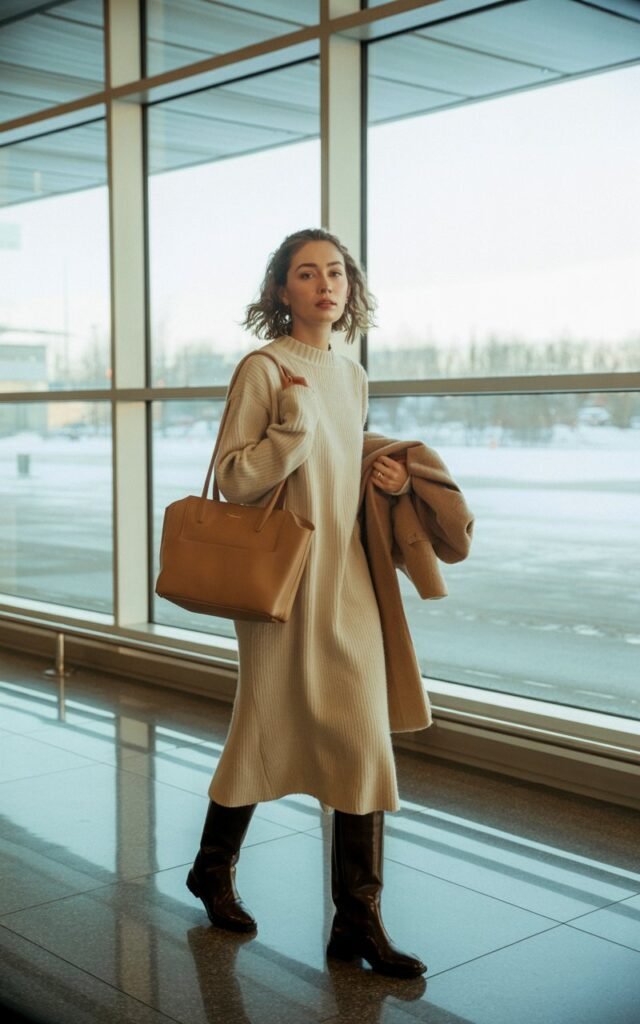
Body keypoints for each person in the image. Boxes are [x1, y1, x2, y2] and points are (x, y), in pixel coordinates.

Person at [186, 227, 427, 978]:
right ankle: (212, 867)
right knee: (261, 727)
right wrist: (289, 429)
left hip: (345, 576)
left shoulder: (350, 374)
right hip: (281, 582)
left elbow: (337, 466)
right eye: (305, 274)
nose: (324, 285)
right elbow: (235, 479)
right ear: (281, 291)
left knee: (363, 740)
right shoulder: (263, 369)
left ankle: (357, 919)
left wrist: (378, 477)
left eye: (335, 273)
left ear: (349, 288)